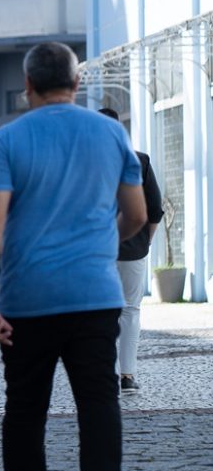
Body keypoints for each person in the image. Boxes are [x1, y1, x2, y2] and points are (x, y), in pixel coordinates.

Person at [0, 42, 146, 471]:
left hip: (28, 299)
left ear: (28, 84)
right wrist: (102, 242)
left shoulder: (10, 138)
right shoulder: (111, 133)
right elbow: (136, 214)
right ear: (77, 81)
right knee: (99, 403)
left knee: (26, 408)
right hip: (95, 295)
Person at [99, 108, 164, 394]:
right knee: (130, 310)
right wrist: (145, 241)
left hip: (95, 251)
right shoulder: (140, 160)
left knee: (98, 311)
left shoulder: (83, 163)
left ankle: (101, 373)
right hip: (133, 249)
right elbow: (154, 209)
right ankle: (127, 375)